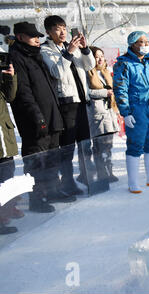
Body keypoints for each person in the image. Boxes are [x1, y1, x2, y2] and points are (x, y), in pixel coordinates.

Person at [9, 21, 65, 212]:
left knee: (52, 159)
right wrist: (37, 117)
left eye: (37, 36)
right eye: (32, 36)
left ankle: (52, 190)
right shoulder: (16, 58)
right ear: (20, 37)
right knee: (36, 163)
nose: (36, 39)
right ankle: (36, 198)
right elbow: (23, 93)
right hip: (34, 120)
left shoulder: (36, 55)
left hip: (51, 115)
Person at [41, 15, 96, 196]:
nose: (62, 32)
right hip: (66, 103)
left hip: (82, 101)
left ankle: (87, 177)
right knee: (67, 147)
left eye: (64, 28)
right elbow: (56, 72)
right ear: (48, 32)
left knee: (85, 144)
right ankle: (67, 182)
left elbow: (89, 66)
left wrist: (85, 48)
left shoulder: (71, 46)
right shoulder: (45, 50)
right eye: (57, 28)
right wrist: (69, 53)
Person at [113, 31, 149, 193]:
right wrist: (125, 112)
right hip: (137, 108)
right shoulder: (123, 63)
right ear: (132, 44)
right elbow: (120, 89)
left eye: (147, 42)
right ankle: (133, 181)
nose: (145, 45)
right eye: (141, 42)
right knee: (135, 144)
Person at [86, 46, 120, 182]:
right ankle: (102, 173)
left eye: (101, 56)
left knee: (108, 145)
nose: (100, 59)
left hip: (109, 112)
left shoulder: (106, 72)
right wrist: (105, 92)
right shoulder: (88, 72)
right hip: (97, 113)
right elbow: (87, 92)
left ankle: (109, 171)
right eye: (96, 56)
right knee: (99, 146)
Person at [0, 63, 23, 234]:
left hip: (5, 139)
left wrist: (10, 77)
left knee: (7, 176)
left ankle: (4, 214)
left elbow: (10, 96)